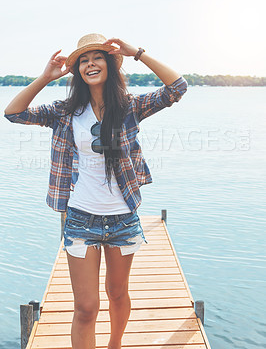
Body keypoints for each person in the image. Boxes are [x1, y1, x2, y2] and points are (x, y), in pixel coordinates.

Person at [4, 33, 188, 349]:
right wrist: (45, 78)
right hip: (80, 219)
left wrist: (137, 53)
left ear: (109, 65)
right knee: (86, 307)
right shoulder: (64, 111)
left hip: (123, 219)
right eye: (84, 60)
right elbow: (13, 113)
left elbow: (178, 88)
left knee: (117, 293)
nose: (91, 64)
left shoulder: (130, 107)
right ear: (78, 71)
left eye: (97, 57)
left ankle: (115, 344)